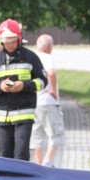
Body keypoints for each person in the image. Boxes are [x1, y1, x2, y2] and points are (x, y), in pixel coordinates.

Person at [0, 18, 47, 160]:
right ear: (1, 41)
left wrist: (24, 85)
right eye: (6, 41)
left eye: (12, 40)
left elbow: (43, 81)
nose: (9, 44)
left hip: (24, 113)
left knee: (21, 153)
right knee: (5, 154)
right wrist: (0, 86)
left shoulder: (30, 57)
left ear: (19, 39)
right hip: (3, 115)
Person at [30, 34, 64, 167]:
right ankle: (48, 163)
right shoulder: (47, 57)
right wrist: (54, 91)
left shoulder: (32, 58)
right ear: (50, 47)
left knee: (37, 136)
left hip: (35, 102)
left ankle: (38, 164)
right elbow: (51, 73)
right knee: (56, 135)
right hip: (48, 101)